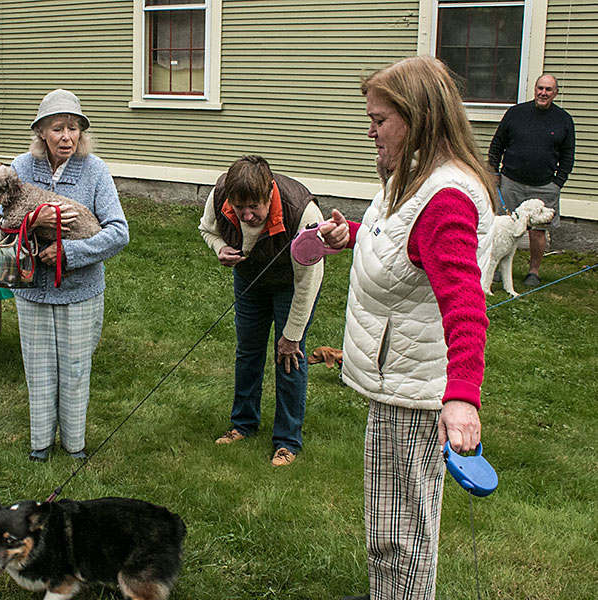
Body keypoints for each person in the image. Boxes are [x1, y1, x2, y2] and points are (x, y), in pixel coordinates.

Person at [316, 56, 496, 600]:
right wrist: (348, 233)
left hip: (417, 393)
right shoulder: (412, 177)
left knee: (405, 535)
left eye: (380, 120)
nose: (370, 131)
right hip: (394, 379)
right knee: (388, 527)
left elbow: (464, 301)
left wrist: (463, 396)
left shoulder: (444, 199)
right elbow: (399, 243)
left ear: (417, 119)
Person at [4, 89, 128, 462]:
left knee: (75, 371)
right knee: (39, 370)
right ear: (42, 132)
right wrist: (33, 221)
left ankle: (74, 446)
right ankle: (40, 444)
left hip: (80, 290)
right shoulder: (20, 168)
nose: (67, 137)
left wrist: (68, 253)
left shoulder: (95, 170)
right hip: (31, 291)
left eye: (73, 128)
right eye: (58, 128)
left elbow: (119, 231)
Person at [199, 155, 323, 467]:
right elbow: (207, 229)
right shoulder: (220, 195)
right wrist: (220, 249)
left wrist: (291, 335)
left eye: (255, 207)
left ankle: (287, 441)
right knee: (248, 351)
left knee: (288, 357)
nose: (247, 215)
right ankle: (243, 424)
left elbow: (310, 278)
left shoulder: (302, 211)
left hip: (291, 284)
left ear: (269, 194)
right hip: (248, 279)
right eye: (240, 209)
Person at [488, 73, 575, 288]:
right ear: (535, 89)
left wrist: (557, 184)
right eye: (540, 88)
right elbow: (497, 144)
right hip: (511, 181)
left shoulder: (564, 120)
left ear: (555, 93)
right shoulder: (516, 114)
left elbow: (568, 156)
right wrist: (494, 172)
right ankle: (497, 268)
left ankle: (533, 272)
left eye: (548, 90)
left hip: (544, 185)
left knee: (538, 232)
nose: (543, 93)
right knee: (503, 227)